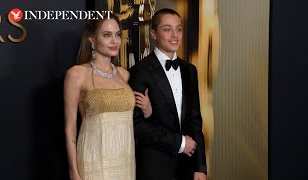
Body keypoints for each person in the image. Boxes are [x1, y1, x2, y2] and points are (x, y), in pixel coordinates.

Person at [64, 14, 152, 180]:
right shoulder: (77, 74)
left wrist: (147, 111)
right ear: (92, 40)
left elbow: (133, 118)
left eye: (118, 35)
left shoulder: (124, 74)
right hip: (93, 161)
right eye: (107, 35)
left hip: (125, 161)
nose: (115, 41)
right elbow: (70, 129)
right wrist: (73, 172)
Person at [128, 8, 207, 180]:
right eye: (167, 29)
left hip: (187, 165)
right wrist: (179, 143)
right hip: (154, 167)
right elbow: (136, 125)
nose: (175, 35)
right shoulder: (140, 71)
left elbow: (195, 119)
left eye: (178, 29)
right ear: (154, 34)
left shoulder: (189, 70)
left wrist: (200, 167)